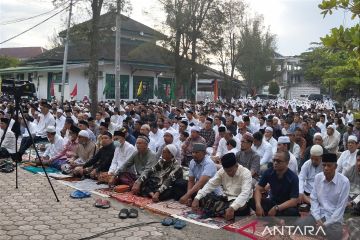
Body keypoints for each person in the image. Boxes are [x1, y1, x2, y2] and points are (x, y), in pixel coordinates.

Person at [295, 153, 350, 240]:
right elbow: (314, 199)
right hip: (318, 215)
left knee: (334, 234)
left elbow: (340, 208)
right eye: (324, 165)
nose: (326, 168)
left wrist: (325, 224)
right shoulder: (318, 177)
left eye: (329, 165)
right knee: (299, 225)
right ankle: (318, 231)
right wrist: (317, 218)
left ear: (335, 166)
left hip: (333, 219)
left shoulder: (344, 182)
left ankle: (317, 231)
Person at [192, 153, 252, 220]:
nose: (229, 173)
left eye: (230, 170)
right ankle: (221, 210)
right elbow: (210, 184)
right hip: (225, 199)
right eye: (226, 171)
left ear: (236, 165)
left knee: (241, 207)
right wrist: (196, 198)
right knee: (201, 196)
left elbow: (244, 194)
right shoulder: (222, 171)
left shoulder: (246, 173)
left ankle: (219, 210)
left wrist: (232, 207)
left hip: (239, 201)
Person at [250, 151, 300, 217]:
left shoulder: (293, 177)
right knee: (251, 201)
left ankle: (271, 216)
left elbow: (294, 201)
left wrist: (276, 208)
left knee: (292, 212)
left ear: (287, 163)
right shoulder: (269, 172)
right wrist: (258, 205)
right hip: (272, 202)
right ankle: (274, 217)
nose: (275, 163)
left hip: (285, 206)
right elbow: (258, 189)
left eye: (278, 161)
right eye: (274, 160)